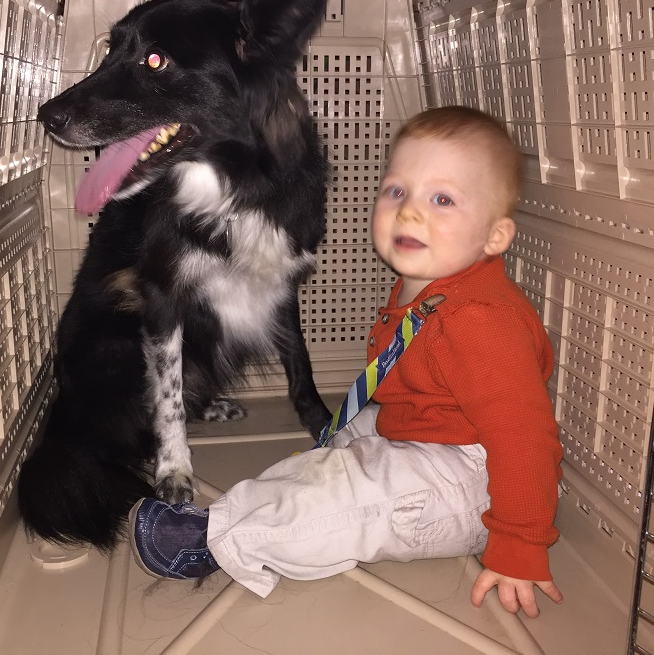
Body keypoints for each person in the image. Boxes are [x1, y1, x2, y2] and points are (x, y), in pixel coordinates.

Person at [129, 105, 564, 618]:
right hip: (433, 433)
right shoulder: (432, 284)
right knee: (357, 425)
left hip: (482, 486)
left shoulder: (482, 321)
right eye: (397, 190)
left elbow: (524, 436)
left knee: (357, 492)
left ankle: (218, 537)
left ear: (494, 237)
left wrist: (519, 545)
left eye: (442, 199)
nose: (409, 211)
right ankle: (308, 481)